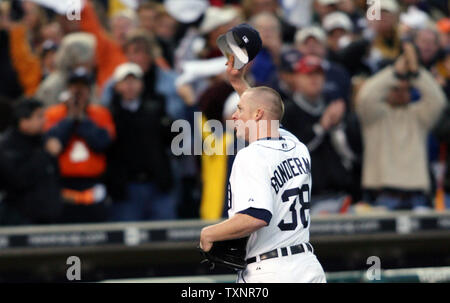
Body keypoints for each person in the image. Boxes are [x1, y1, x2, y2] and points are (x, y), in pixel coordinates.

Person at [200, 56, 326, 283]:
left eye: (239, 109)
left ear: (257, 115)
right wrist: (238, 82)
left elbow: (256, 216)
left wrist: (208, 234)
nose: (235, 116)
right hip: (307, 266)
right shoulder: (297, 146)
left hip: (270, 271)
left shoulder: (251, 155)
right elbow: (267, 109)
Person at [355, 43, 446, 211]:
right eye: (395, 88)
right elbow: (366, 96)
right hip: (383, 197)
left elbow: (438, 100)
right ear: (387, 89)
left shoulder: (418, 115)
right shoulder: (374, 115)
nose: (401, 92)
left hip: (418, 196)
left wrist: (416, 72)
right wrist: (395, 72)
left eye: (407, 89)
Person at [43, 67, 116, 223]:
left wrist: (82, 119)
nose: (78, 92)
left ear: (89, 90)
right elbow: (52, 146)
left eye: (83, 88)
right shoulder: (53, 114)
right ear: (68, 89)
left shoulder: (101, 114)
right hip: (63, 185)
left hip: (93, 185)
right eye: (75, 87)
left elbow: (102, 143)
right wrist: (70, 119)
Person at [106, 62, 176, 221]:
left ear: (142, 84)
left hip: (157, 185)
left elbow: (173, 140)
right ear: (117, 86)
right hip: (125, 188)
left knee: (166, 237)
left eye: (134, 80)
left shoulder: (157, 109)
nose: (130, 86)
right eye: (125, 81)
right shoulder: (109, 114)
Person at [0, 99, 62, 225]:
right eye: (39, 116)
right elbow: (18, 179)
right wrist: (46, 154)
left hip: (49, 217)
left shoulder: (43, 140)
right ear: (24, 122)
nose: (44, 120)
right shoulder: (8, 145)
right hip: (20, 218)